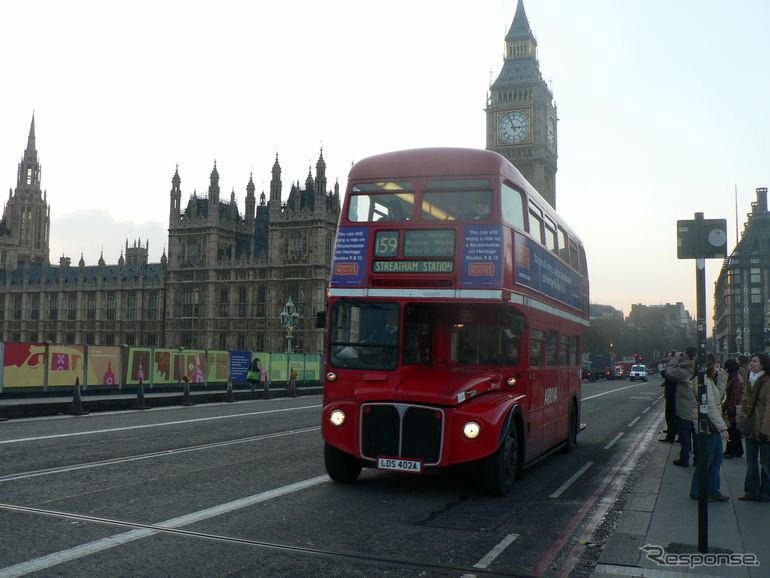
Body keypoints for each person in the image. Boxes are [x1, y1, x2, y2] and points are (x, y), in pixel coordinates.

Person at [690, 355, 729, 501]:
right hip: (708, 426)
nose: (718, 366)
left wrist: (723, 377)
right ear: (710, 365)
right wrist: (723, 428)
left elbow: (718, 397)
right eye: (716, 364)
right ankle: (697, 491)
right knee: (707, 460)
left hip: (712, 426)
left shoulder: (708, 380)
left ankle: (713, 490)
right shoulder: (702, 381)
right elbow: (711, 407)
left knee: (717, 459)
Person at [738, 353, 770, 502]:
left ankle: (766, 492)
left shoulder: (767, 381)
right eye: (751, 361)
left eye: (755, 361)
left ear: (763, 365)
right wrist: (741, 419)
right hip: (750, 425)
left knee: (765, 462)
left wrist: (765, 429)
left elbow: (769, 407)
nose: (751, 363)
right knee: (750, 460)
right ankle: (751, 491)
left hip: (764, 426)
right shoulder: (748, 378)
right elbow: (745, 401)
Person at [668, 347, 697, 467]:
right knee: (696, 435)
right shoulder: (698, 368)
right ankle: (698, 458)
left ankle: (684, 458)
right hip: (696, 407)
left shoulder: (684, 370)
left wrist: (674, 358)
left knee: (685, 434)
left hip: (685, 408)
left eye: (684, 354)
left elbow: (668, 372)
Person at [722, 358, 745, 458]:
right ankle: (738, 450)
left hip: (734, 407)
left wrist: (729, 409)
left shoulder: (735, 379)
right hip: (735, 405)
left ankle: (731, 450)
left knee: (732, 429)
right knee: (735, 430)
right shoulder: (736, 376)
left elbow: (734, 396)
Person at [659, 350, 678, 443]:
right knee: (669, 413)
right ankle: (671, 431)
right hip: (670, 393)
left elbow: (669, 375)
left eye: (669, 356)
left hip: (673, 394)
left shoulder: (674, 367)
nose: (667, 358)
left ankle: (671, 435)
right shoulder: (672, 366)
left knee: (671, 414)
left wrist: (664, 371)